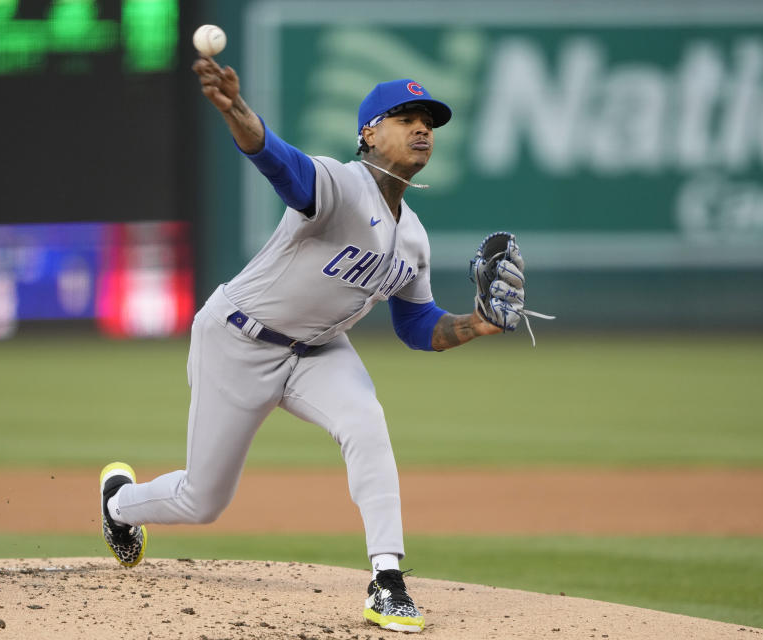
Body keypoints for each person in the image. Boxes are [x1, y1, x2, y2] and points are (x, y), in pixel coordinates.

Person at [98, 56, 529, 634]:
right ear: (368, 134)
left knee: (367, 421)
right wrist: (237, 111)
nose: (422, 127)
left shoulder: (414, 237)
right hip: (237, 339)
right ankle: (119, 505)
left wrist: (477, 323)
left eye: (429, 119)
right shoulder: (341, 184)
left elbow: (415, 325)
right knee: (204, 500)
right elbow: (281, 164)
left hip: (319, 351)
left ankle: (388, 580)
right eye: (404, 116)